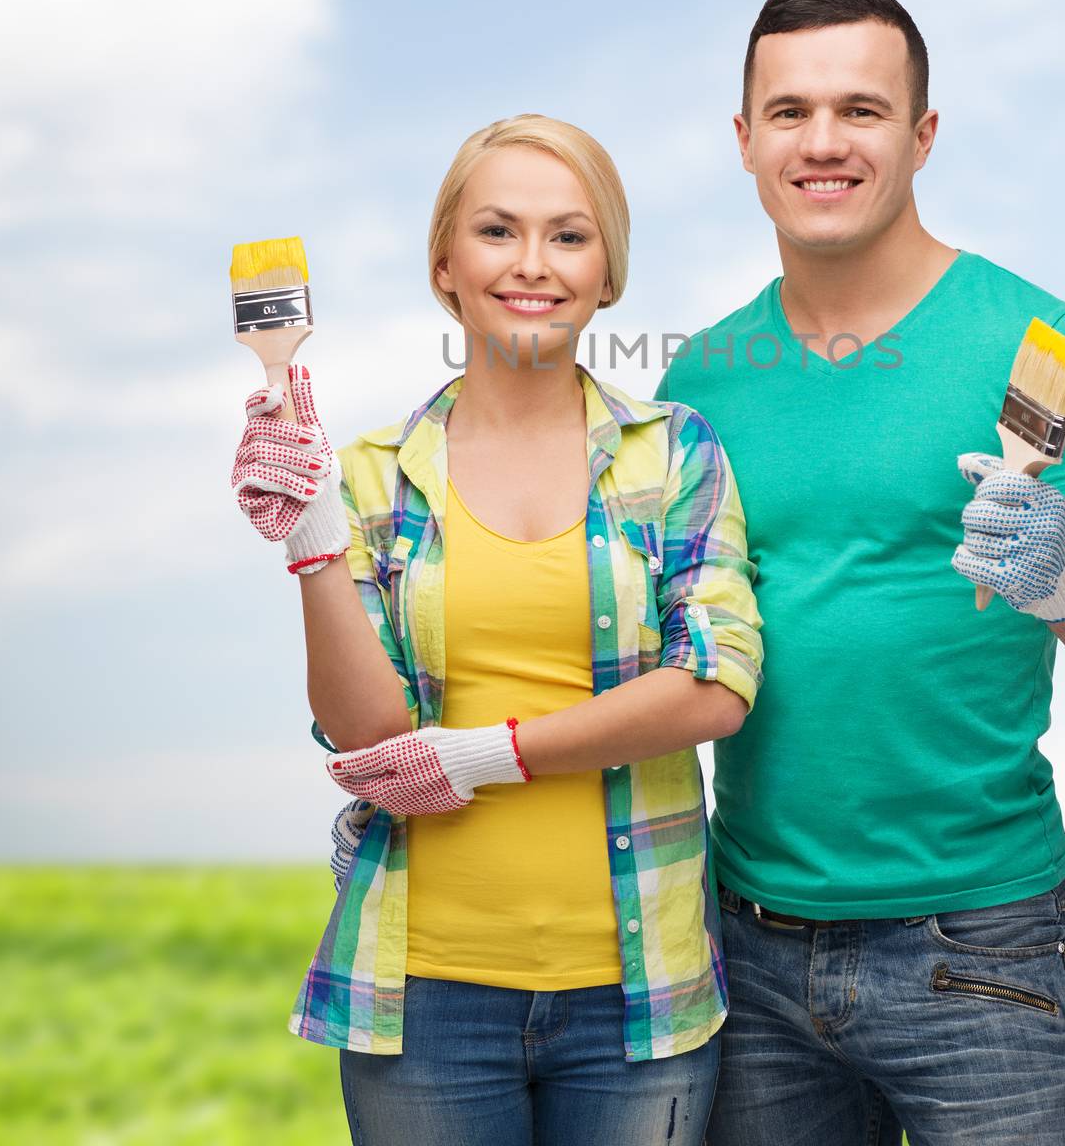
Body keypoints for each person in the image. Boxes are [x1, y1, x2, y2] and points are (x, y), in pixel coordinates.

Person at [655, 0, 1065, 1146]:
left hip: (980, 948)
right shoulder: (696, 382)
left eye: (860, 108)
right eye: (788, 111)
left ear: (922, 133)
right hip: (743, 953)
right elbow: (647, 645)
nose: (823, 141)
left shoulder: (1045, 345)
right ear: (743, 141)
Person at [231, 115, 763, 1146]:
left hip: (636, 997)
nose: (532, 264)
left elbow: (716, 682)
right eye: (496, 231)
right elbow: (367, 732)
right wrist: (309, 541)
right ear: (446, 265)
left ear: (607, 270)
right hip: (422, 995)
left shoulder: (673, 453)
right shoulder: (371, 475)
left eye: (568, 235)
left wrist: (491, 752)